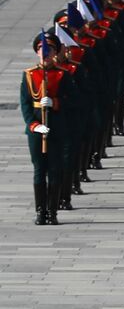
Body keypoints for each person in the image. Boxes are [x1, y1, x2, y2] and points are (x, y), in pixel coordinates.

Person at [23, 32, 69, 225]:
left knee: (55, 170)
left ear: (55, 53)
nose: (45, 55)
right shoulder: (29, 75)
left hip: (56, 129)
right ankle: (40, 211)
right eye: (42, 51)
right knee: (39, 171)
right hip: (37, 131)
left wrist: (55, 102)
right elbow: (25, 105)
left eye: (49, 51)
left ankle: (53, 211)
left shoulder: (62, 74)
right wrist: (34, 125)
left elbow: (71, 101)